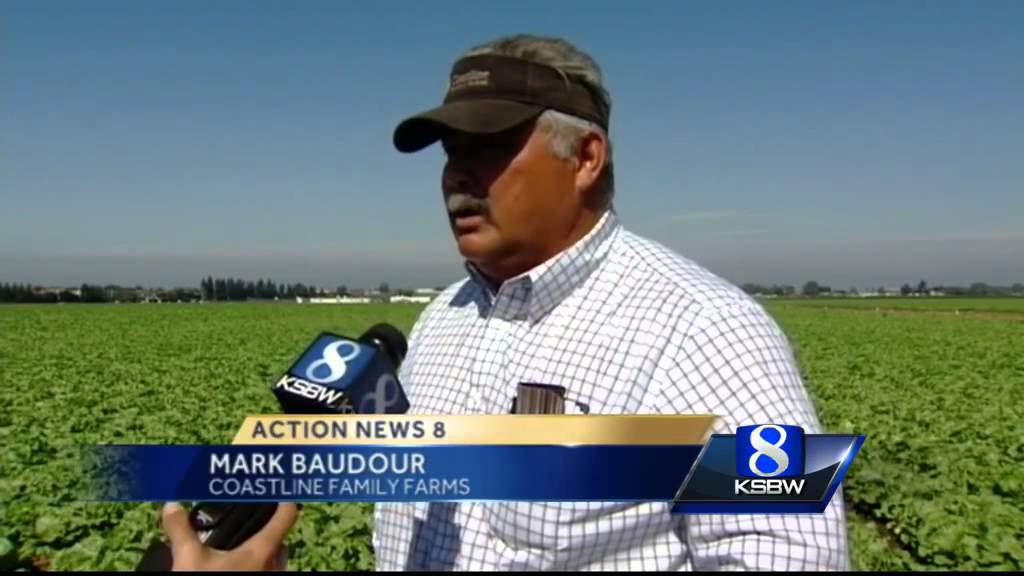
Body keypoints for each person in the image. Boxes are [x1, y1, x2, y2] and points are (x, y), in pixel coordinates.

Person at [373, 34, 851, 571]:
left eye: (488, 147)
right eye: (452, 152)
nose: (457, 175)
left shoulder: (710, 330)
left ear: (585, 158)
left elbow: (789, 557)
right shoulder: (441, 320)